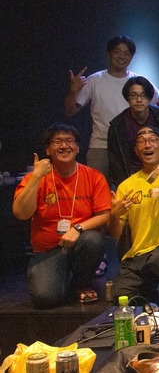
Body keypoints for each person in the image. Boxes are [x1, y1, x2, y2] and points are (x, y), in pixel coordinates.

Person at [12, 123, 110, 308]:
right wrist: (36, 177)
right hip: (47, 250)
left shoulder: (93, 176)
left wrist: (77, 228)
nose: (64, 146)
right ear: (48, 149)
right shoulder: (35, 178)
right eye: (57, 141)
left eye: (69, 141)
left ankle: (81, 282)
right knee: (45, 298)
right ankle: (62, 279)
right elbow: (21, 213)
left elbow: (104, 215)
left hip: (79, 243)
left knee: (93, 240)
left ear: (78, 147)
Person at [109, 126, 159, 301]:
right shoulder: (126, 186)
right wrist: (114, 215)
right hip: (139, 253)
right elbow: (115, 234)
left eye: (153, 140)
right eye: (141, 141)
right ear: (136, 151)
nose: (147, 145)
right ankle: (148, 285)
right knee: (120, 296)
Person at [63, 36, 158, 180]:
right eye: (117, 52)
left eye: (127, 53)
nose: (122, 56)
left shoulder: (139, 82)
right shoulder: (95, 80)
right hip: (101, 145)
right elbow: (69, 111)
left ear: (132, 57)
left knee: (134, 190)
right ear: (109, 53)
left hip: (131, 146)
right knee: (96, 189)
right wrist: (73, 91)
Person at [108, 77, 159, 188]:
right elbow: (115, 163)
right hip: (129, 176)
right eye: (133, 95)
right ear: (127, 98)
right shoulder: (117, 125)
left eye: (143, 95)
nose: (139, 100)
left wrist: (152, 180)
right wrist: (129, 185)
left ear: (149, 98)